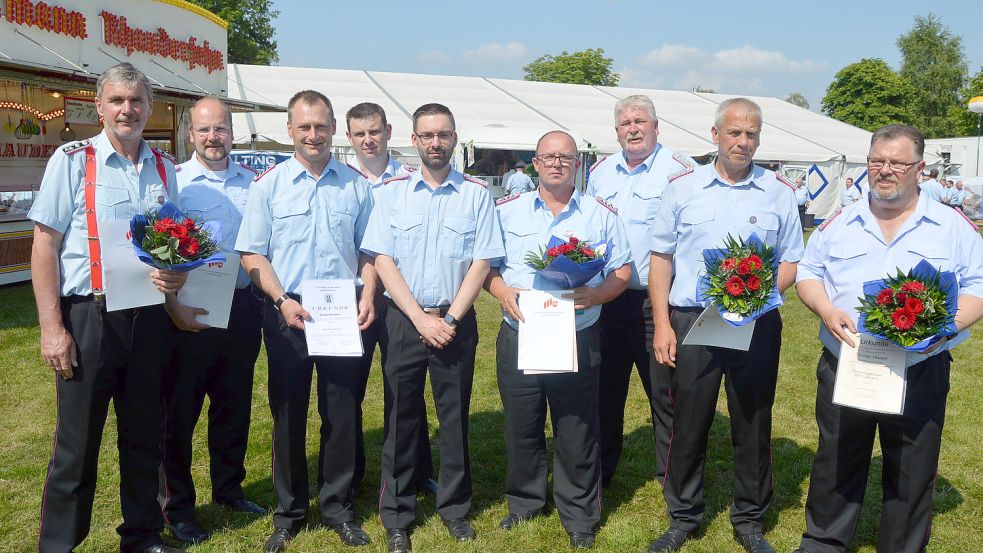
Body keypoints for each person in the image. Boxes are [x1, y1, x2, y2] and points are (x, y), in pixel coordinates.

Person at [793, 124, 983, 553]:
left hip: (920, 366)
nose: (885, 170)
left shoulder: (950, 226)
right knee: (837, 457)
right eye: (877, 161)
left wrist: (948, 327)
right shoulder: (841, 220)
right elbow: (808, 272)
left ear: (919, 168)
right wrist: (825, 308)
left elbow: (979, 283)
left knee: (913, 466)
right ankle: (823, 541)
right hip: (850, 359)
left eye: (897, 163)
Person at [30, 62, 188, 553]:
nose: (128, 109)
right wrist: (52, 328)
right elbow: (44, 245)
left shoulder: (164, 167)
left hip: (148, 317)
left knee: (144, 433)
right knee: (77, 443)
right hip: (90, 316)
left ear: (149, 107)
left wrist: (175, 274)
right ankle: (59, 544)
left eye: (137, 101)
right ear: (99, 107)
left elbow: (172, 243)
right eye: (117, 100)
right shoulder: (72, 160)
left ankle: (141, 535)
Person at [648, 98, 804, 553]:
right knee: (688, 419)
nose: (743, 141)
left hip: (755, 320)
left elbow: (792, 260)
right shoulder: (683, 188)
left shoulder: (778, 191)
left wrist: (759, 297)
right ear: (715, 135)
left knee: (753, 417)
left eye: (751, 134)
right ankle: (683, 515)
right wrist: (662, 324)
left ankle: (750, 518)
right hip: (694, 319)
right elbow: (660, 258)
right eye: (734, 133)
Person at [236, 90, 377, 552]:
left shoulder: (356, 185)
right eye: (304, 127)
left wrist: (368, 293)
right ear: (290, 130)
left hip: (340, 308)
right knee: (288, 411)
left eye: (321, 126)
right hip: (288, 310)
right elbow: (252, 252)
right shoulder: (268, 186)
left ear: (334, 128)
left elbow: (369, 250)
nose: (313, 135)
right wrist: (279, 299)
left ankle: (338, 508)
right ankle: (289, 512)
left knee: (341, 411)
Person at [361, 103, 505, 553]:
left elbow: (482, 261)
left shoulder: (477, 195)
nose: (435, 143)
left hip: (455, 320)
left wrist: (450, 319)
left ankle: (455, 509)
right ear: (414, 139)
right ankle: (398, 515)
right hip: (403, 320)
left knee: (454, 417)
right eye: (427, 135)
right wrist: (420, 319)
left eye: (443, 134)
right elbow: (382, 260)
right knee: (401, 418)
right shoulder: (391, 194)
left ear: (455, 138)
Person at [487, 130, 632, 549]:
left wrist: (599, 293)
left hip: (577, 333)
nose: (556, 164)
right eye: (548, 157)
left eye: (565, 158)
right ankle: (525, 502)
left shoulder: (600, 214)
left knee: (577, 426)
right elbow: (486, 267)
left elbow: (622, 269)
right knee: (523, 423)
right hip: (521, 332)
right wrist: (501, 291)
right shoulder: (506, 211)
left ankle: (579, 514)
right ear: (535, 163)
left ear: (576, 164)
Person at [157, 97, 267, 546]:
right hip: (188, 312)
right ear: (189, 135)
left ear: (232, 133)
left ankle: (229, 489)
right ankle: (178, 508)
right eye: (203, 130)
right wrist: (172, 308)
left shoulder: (255, 184)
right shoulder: (174, 184)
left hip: (242, 308)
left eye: (220, 129)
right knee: (179, 413)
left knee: (233, 404)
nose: (212, 138)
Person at [585, 94, 695, 487]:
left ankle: (673, 477)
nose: (633, 129)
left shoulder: (681, 171)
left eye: (640, 121)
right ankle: (601, 472)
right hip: (609, 299)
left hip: (657, 303)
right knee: (604, 392)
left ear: (656, 126)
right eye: (625, 123)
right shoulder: (599, 172)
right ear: (616, 131)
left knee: (665, 392)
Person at [344, 102, 438, 498]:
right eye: (360, 133)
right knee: (348, 392)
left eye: (375, 131)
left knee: (406, 390)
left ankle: (415, 472)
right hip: (354, 301)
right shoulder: (341, 179)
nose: (368, 139)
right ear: (348, 138)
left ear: (389, 131)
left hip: (403, 302)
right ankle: (350, 475)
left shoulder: (413, 178)